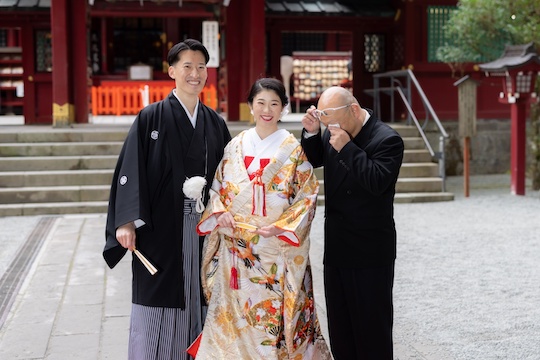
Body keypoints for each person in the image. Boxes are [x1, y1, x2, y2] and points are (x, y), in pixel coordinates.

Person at [103, 39, 231, 360]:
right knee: (160, 295)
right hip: (160, 228)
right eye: (187, 66)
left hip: (205, 227)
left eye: (201, 67)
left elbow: (230, 178)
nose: (195, 73)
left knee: (205, 292)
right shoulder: (151, 117)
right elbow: (130, 170)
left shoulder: (215, 122)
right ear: (171, 71)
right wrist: (126, 220)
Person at [194, 78, 332, 359]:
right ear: (250, 107)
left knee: (273, 324)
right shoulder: (235, 146)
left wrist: (281, 228)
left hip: (274, 250)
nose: (267, 110)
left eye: (274, 104)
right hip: (237, 253)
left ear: (283, 108)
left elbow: (307, 196)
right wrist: (219, 214)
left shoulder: (293, 149)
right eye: (260, 103)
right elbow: (218, 187)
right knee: (232, 320)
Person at [301, 86, 404, 360]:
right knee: (341, 329)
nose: (327, 126)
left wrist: (346, 148)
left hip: (370, 251)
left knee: (372, 331)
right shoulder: (335, 129)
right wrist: (312, 133)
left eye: (329, 119)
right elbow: (316, 159)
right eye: (322, 118)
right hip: (337, 247)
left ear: (354, 110)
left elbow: (377, 182)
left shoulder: (388, 140)